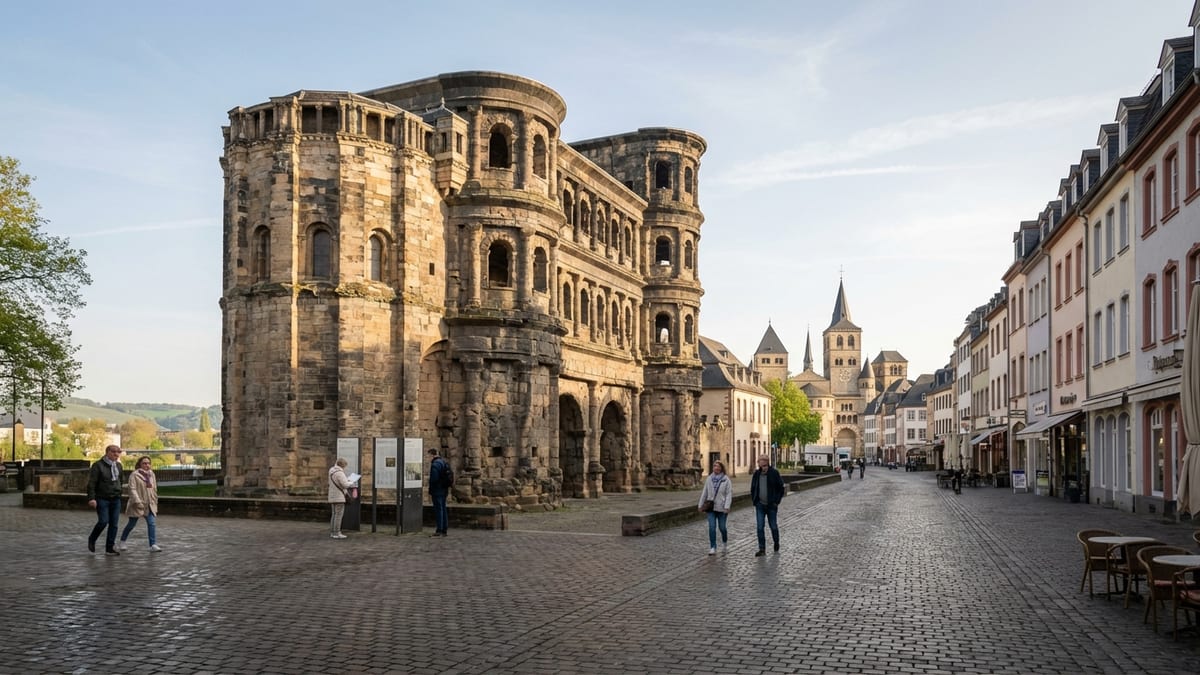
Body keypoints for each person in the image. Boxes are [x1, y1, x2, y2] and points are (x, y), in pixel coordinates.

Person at [86, 444, 124, 556]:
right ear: (107, 452)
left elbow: (120, 480)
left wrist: (119, 491)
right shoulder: (98, 465)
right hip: (102, 498)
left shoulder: (118, 466)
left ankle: (109, 548)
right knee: (103, 521)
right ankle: (92, 538)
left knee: (114, 524)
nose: (116, 454)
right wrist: (91, 498)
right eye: (114, 451)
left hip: (115, 498)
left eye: (118, 452)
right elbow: (92, 483)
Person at [118, 456, 161, 552]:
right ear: (139, 464)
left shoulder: (151, 474)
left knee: (152, 523)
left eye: (148, 463)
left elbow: (154, 488)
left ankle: (152, 544)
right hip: (137, 503)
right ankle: (122, 541)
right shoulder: (134, 475)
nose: (147, 465)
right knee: (131, 524)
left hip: (149, 503)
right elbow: (132, 489)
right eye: (144, 463)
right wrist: (137, 501)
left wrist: (154, 499)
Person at [750, 455, 785, 557]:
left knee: (773, 526)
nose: (762, 466)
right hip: (760, 505)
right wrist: (755, 500)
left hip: (771, 505)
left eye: (763, 464)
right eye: (760, 464)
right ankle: (762, 549)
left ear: (766, 463)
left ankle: (776, 542)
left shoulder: (774, 473)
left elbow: (781, 488)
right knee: (760, 527)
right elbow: (753, 487)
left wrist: (776, 501)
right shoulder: (757, 474)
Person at [697, 460, 733, 555]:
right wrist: (700, 505)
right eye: (714, 466)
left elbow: (729, 494)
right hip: (711, 507)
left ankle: (724, 543)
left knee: (722, 528)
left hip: (722, 508)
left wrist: (727, 506)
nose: (716, 468)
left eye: (718, 466)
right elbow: (705, 492)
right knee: (712, 527)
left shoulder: (726, 479)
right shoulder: (709, 479)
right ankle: (713, 547)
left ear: (721, 468)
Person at [428, 449, 451, 537]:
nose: (428, 458)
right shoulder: (443, 462)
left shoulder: (435, 464)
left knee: (438, 509)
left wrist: (431, 490)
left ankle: (439, 530)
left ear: (432, 455)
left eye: (428, 456)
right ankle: (444, 529)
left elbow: (434, 479)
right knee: (443, 508)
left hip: (437, 490)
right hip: (444, 489)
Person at [328, 457, 351, 539]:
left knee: (334, 514)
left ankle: (332, 532)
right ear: (343, 465)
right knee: (338, 515)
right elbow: (345, 485)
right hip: (339, 497)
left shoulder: (331, 471)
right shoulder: (340, 473)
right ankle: (337, 533)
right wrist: (351, 481)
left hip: (332, 496)